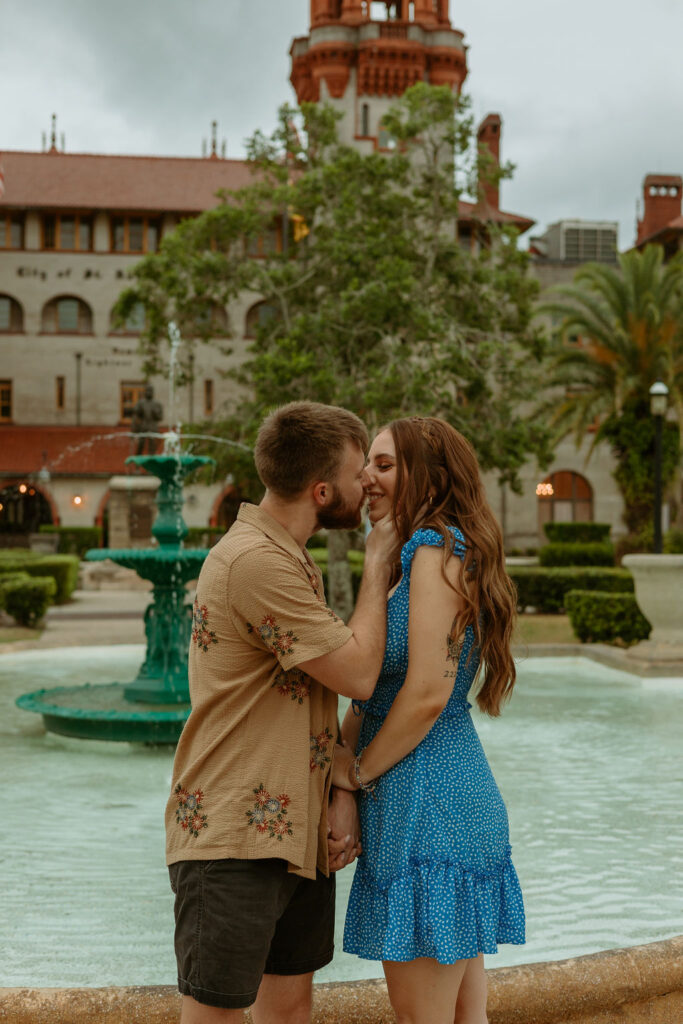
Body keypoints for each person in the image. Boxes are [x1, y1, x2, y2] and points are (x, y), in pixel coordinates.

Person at [165, 400, 396, 1024]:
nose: (367, 485)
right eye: (357, 475)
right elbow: (358, 675)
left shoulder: (289, 555)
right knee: (215, 1014)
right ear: (322, 491)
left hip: (291, 832)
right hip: (233, 837)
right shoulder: (257, 563)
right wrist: (377, 566)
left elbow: (309, 704)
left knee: (289, 1012)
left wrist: (338, 784)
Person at [334, 416, 525, 1024]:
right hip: (432, 801)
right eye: (368, 465)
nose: (366, 478)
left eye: (383, 466)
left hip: (429, 808)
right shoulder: (415, 554)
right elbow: (374, 691)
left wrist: (356, 774)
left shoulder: (434, 549)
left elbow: (425, 696)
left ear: (431, 478)